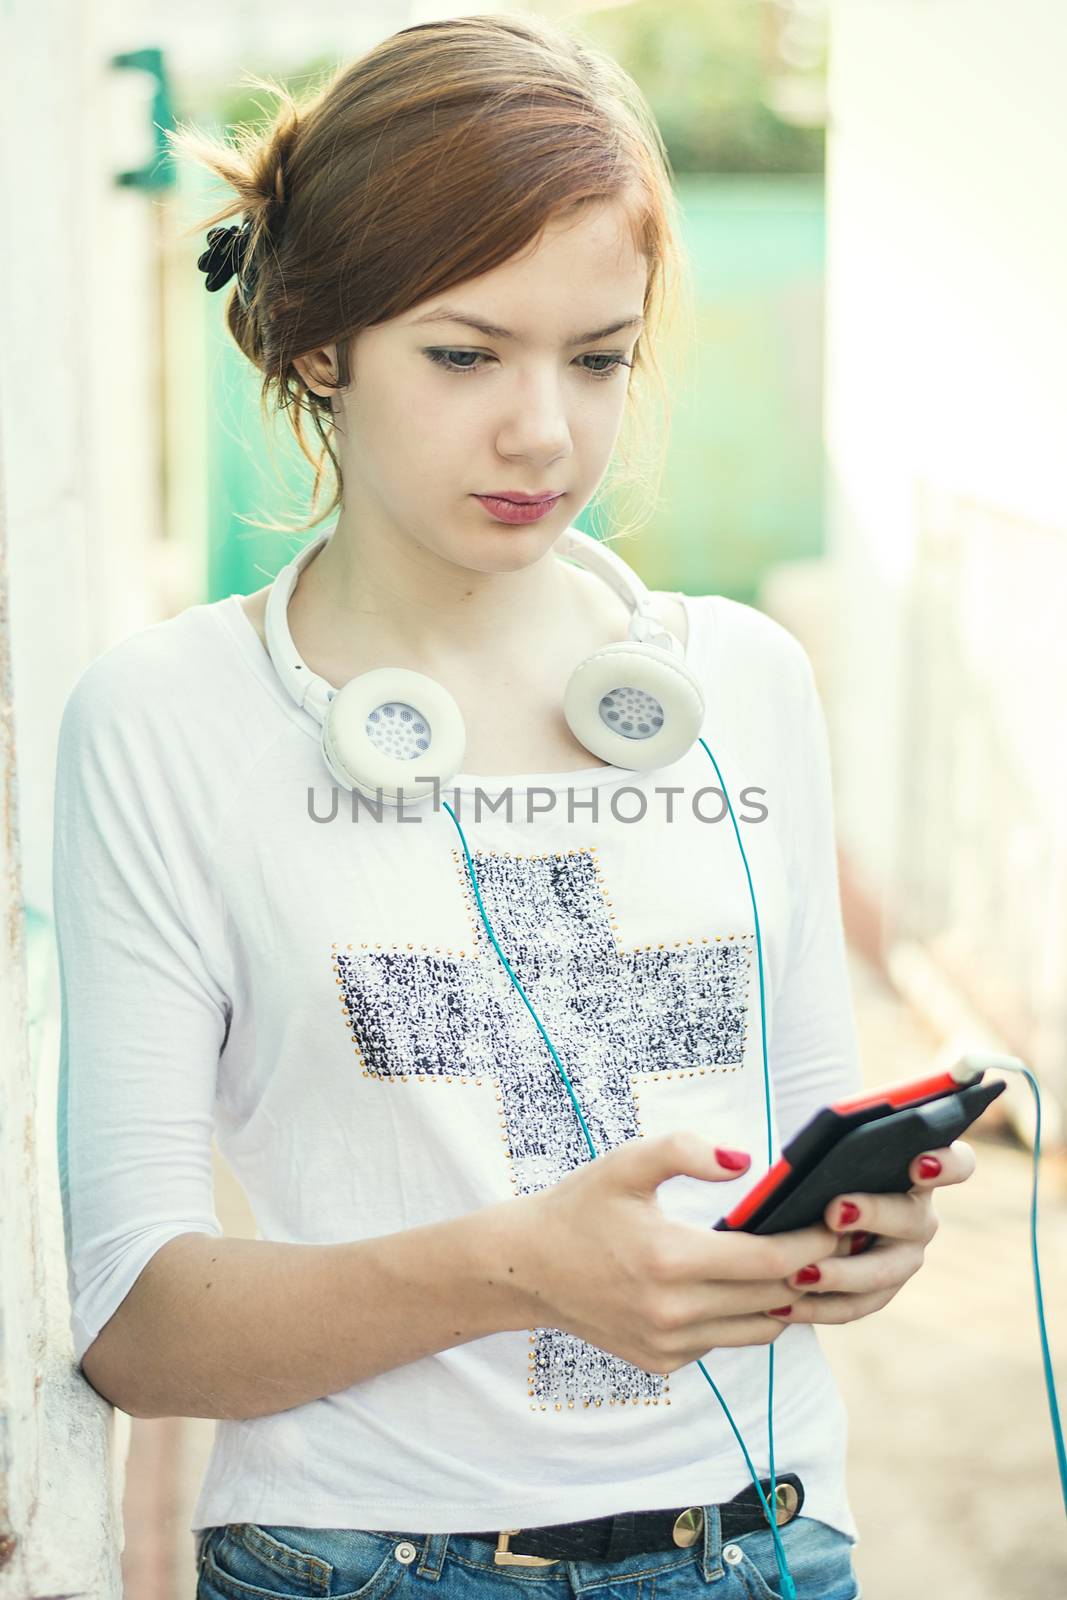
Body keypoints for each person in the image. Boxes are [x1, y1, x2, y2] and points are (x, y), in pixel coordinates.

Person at [52, 14, 975, 1600]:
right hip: (361, 1562)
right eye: (467, 353)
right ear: (320, 341)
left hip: (766, 1544)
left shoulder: (745, 687)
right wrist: (515, 1270)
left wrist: (862, 1249)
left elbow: (792, 1159)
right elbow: (137, 1329)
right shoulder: (168, 721)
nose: (545, 429)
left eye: (600, 357)